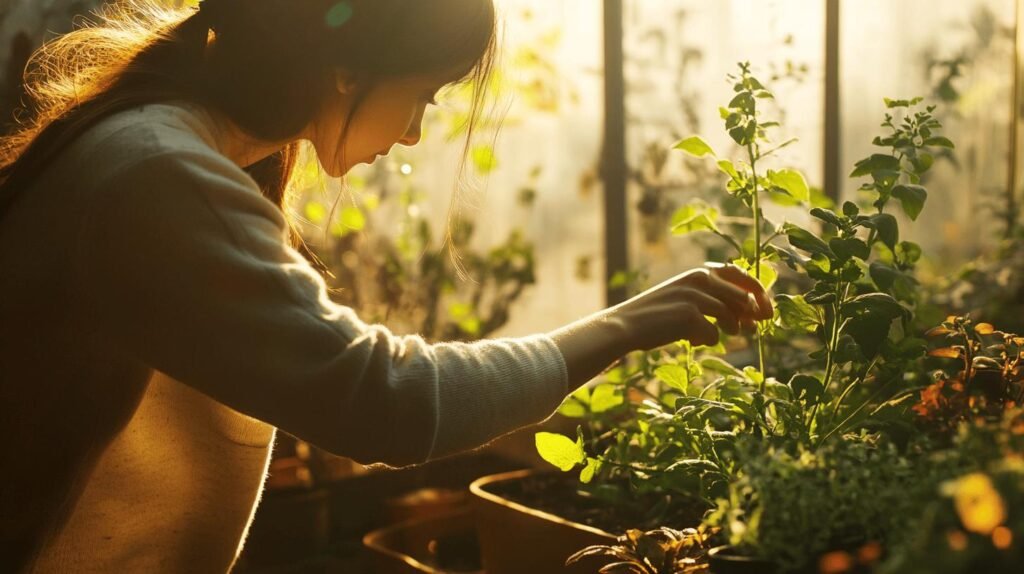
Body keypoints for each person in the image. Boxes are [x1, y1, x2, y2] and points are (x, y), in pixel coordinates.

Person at [0, 0, 773, 571]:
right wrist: (629, 325)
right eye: (426, 95)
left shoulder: (160, 148)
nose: (414, 132)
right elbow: (382, 400)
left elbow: (317, 370)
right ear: (344, 71)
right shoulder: (159, 175)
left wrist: (522, 424)